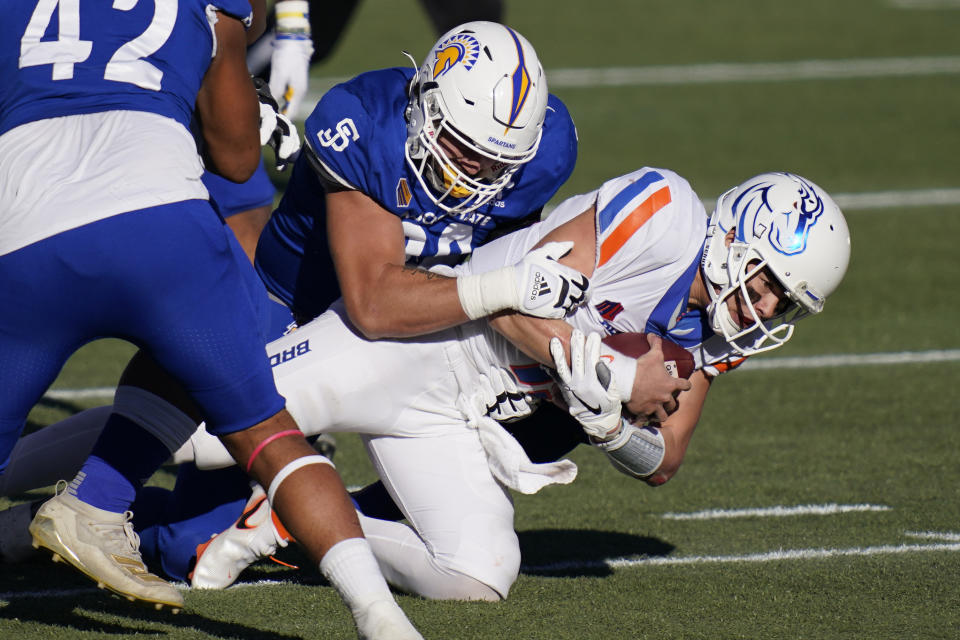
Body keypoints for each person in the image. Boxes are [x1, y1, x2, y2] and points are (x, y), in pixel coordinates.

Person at [1, 169, 851, 601]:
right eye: (772, 283)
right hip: (428, 341)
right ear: (742, 233)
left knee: (482, 571)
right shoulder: (664, 214)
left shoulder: (709, 333)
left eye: (787, 303)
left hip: (465, 420)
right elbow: (523, 299)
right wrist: (593, 372)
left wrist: (608, 421)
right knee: (202, 434)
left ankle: (289, 525)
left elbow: (661, 456)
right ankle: (9, 469)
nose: (768, 307)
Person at [0, 3, 425, 638]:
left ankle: (86, 507)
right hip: (161, 231)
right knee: (268, 425)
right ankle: (381, 618)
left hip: (21, 234)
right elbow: (235, 159)